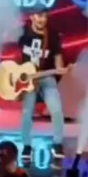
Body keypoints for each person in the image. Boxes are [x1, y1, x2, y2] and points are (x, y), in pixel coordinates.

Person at [19, 10, 67, 167]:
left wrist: (61, 69)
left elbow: (58, 62)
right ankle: (27, 146)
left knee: (57, 111)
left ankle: (57, 144)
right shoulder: (22, 33)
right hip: (28, 79)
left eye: (45, 16)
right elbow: (9, 55)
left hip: (47, 77)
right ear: (32, 16)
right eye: (39, 16)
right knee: (27, 113)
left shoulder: (52, 36)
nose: (42, 19)